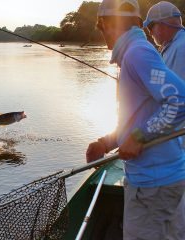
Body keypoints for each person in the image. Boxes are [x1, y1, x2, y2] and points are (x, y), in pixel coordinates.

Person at [86, 0, 185, 239]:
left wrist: (140, 136)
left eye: (100, 26)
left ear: (109, 23)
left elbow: (179, 100)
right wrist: (107, 142)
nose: (101, 33)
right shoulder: (133, 53)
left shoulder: (137, 53)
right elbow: (139, 114)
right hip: (159, 181)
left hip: (153, 184)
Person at [144, 1, 185, 80]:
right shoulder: (171, 46)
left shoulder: (182, 47)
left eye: (150, 27)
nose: (150, 33)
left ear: (162, 25)